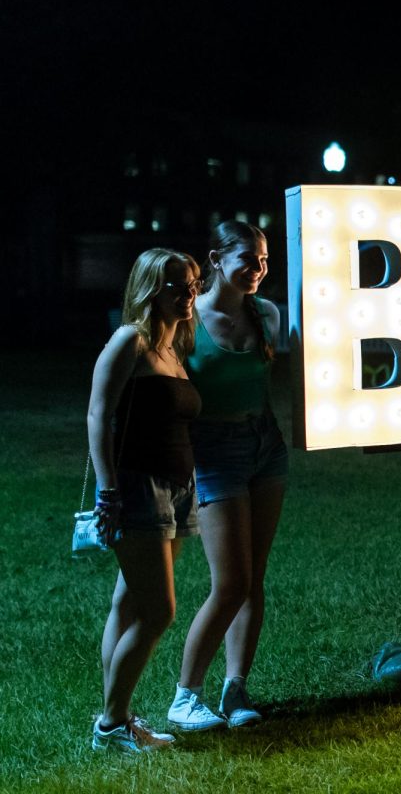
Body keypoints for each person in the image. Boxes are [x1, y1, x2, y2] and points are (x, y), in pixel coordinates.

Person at [170, 221, 287, 730]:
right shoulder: (188, 321)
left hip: (266, 444)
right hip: (213, 452)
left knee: (253, 579)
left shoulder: (267, 314)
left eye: (263, 261)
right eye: (247, 259)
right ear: (216, 258)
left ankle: (235, 690)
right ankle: (184, 696)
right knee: (230, 582)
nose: (258, 270)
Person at [88, 249, 203, 752]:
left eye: (194, 283)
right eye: (178, 286)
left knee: (129, 602)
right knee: (159, 611)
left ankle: (118, 716)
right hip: (138, 488)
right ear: (150, 289)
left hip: (178, 488)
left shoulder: (174, 349)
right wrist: (108, 488)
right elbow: (97, 416)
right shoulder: (128, 341)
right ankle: (112, 724)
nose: (189, 293)